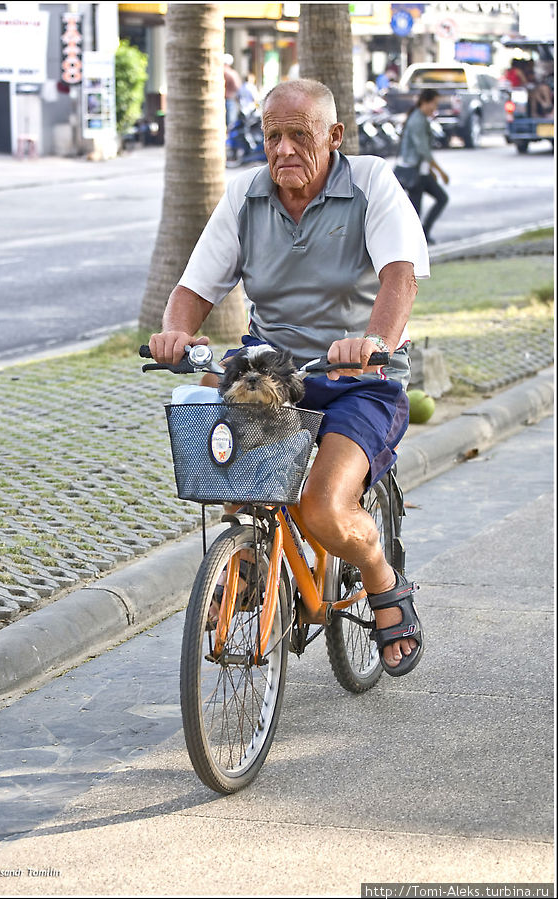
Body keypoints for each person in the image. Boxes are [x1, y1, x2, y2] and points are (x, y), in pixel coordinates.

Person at [148, 79, 429, 677]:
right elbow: (195, 287)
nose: (283, 149)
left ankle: (379, 572)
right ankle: (247, 555)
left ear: (332, 136)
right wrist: (176, 332)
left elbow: (399, 275)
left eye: (300, 135)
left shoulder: (372, 182)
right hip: (274, 371)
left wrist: (374, 342)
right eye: (273, 135)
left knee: (325, 505)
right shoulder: (246, 198)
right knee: (216, 438)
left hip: (358, 378)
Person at [398, 88, 449, 245]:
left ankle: (423, 234)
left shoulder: (420, 118)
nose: (435, 108)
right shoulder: (417, 120)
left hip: (421, 171)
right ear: (425, 102)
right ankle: (415, 239)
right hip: (415, 171)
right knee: (416, 209)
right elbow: (423, 150)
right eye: (434, 104)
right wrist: (440, 172)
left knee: (440, 199)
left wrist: (432, 171)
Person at [224, 53, 242, 128]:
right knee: (231, 124)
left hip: (227, 100)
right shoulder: (232, 73)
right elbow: (237, 86)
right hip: (230, 100)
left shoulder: (222, 73)